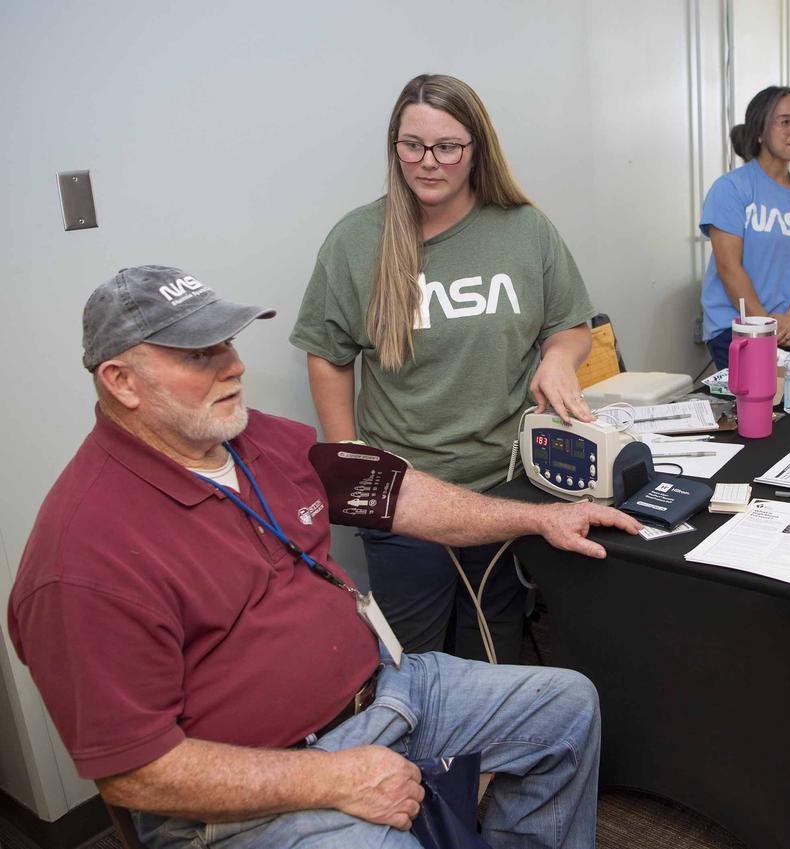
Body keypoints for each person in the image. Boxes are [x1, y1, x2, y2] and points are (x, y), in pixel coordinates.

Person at [7, 266, 641, 849]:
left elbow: (396, 496)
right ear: (122, 382)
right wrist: (333, 779)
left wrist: (538, 517)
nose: (233, 368)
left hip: (385, 691)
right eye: (200, 355)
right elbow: (138, 775)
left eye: (228, 344)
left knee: (567, 707)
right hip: (259, 782)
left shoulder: (253, 438)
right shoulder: (82, 559)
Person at [291, 74, 597, 663]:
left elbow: (570, 325)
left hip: (504, 486)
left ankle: (492, 758)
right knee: (415, 664)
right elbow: (328, 354)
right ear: (394, 147)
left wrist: (559, 357)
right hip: (406, 495)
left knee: (494, 648)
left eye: (448, 146)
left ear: (477, 148)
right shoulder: (357, 241)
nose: (428, 162)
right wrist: (350, 458)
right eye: (412, 145)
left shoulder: (524, 229)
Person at [699, 85, 790, 369]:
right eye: (785, 121)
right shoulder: (732, 189)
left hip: (789, 327)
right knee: (767, 407)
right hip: (737, 329)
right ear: (760, 132)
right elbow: (729, 268)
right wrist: (765, 326)